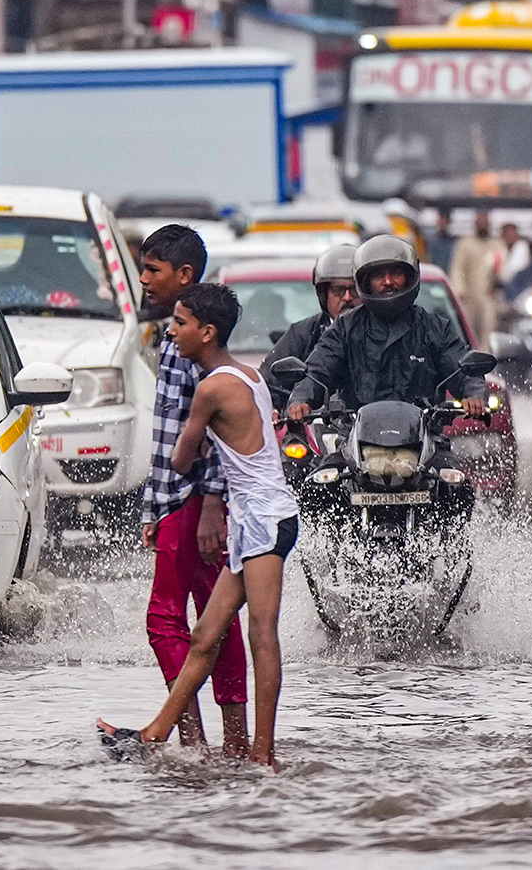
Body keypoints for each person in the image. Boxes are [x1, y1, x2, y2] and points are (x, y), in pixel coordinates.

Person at [99, 283, 298, 770]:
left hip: (266, 520)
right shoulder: (248, 375)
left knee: (261, 636)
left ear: (207, 333)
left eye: (181, 324)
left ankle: (263, 755)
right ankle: (154, 733)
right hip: (258, 520)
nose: (172, 330)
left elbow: (180, 460)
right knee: (206, 635)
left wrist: (192, 428)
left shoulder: (210, 388)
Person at [136, 224, 249, 757]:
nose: (143, 280)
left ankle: (194, 738)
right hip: (173, 500)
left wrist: (209, 503)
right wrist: (152, 508)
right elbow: (167, 432)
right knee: (212, 621)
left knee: (167, 618)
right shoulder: (173, 335)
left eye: (152, 270)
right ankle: (228, 743)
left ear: (184, 276)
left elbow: (217, 436)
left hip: (194, 501)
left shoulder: (194, 340)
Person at [286, 234, 488, 422]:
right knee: (328, 462)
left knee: (449, 463)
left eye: (396, 273)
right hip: (356, 439)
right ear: (365, 282)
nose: (388, 281)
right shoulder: (345, 328)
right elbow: (319, 369)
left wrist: (474, 395)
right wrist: (301, 399)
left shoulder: (435, 328)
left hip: (425, 438)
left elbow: (462, 369)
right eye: (379, 276)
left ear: (410, 277)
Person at [259, 243, 360, 411]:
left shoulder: (385, 331)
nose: (348, 297)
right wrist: (280, 408)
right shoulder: (302, 334)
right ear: (323, 294)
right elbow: (267, 385)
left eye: (354, 289)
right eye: (338, 290)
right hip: (314, 430)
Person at [449, 210, 507, 347]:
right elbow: (457, 268)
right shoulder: (465, 244)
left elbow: (503, 269)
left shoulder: (496, 245)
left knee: (488, 329)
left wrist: (498, 284)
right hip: (468, 296)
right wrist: (460, 290)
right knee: (468, 330)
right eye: (479, 222)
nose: (482, 225)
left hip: (488, 296)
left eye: (485, 222)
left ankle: (487, 358)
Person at [424, 208, 457, 274]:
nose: (442, 223)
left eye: (445, 221)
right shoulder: (430, 240)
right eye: (440, 220)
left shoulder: (453, 242)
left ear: (448, 223)